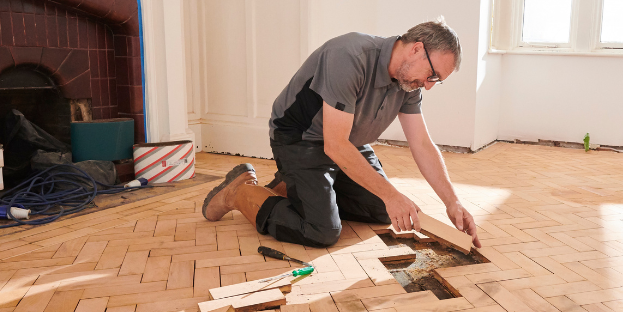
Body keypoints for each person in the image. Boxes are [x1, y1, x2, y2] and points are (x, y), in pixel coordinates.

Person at [200, 18, 482, 249]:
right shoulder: (350, 55)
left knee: (382, 210)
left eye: (437, 82)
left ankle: (296, 186)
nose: (429, 86)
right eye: (432, 76)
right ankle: (240, 191)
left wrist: (452, 202)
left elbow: (421, 143)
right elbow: (334, 145)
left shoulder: (409, 83)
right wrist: (392, 194)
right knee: (321, 231)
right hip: (302, 139)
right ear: (416, 49)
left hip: (349, 143)